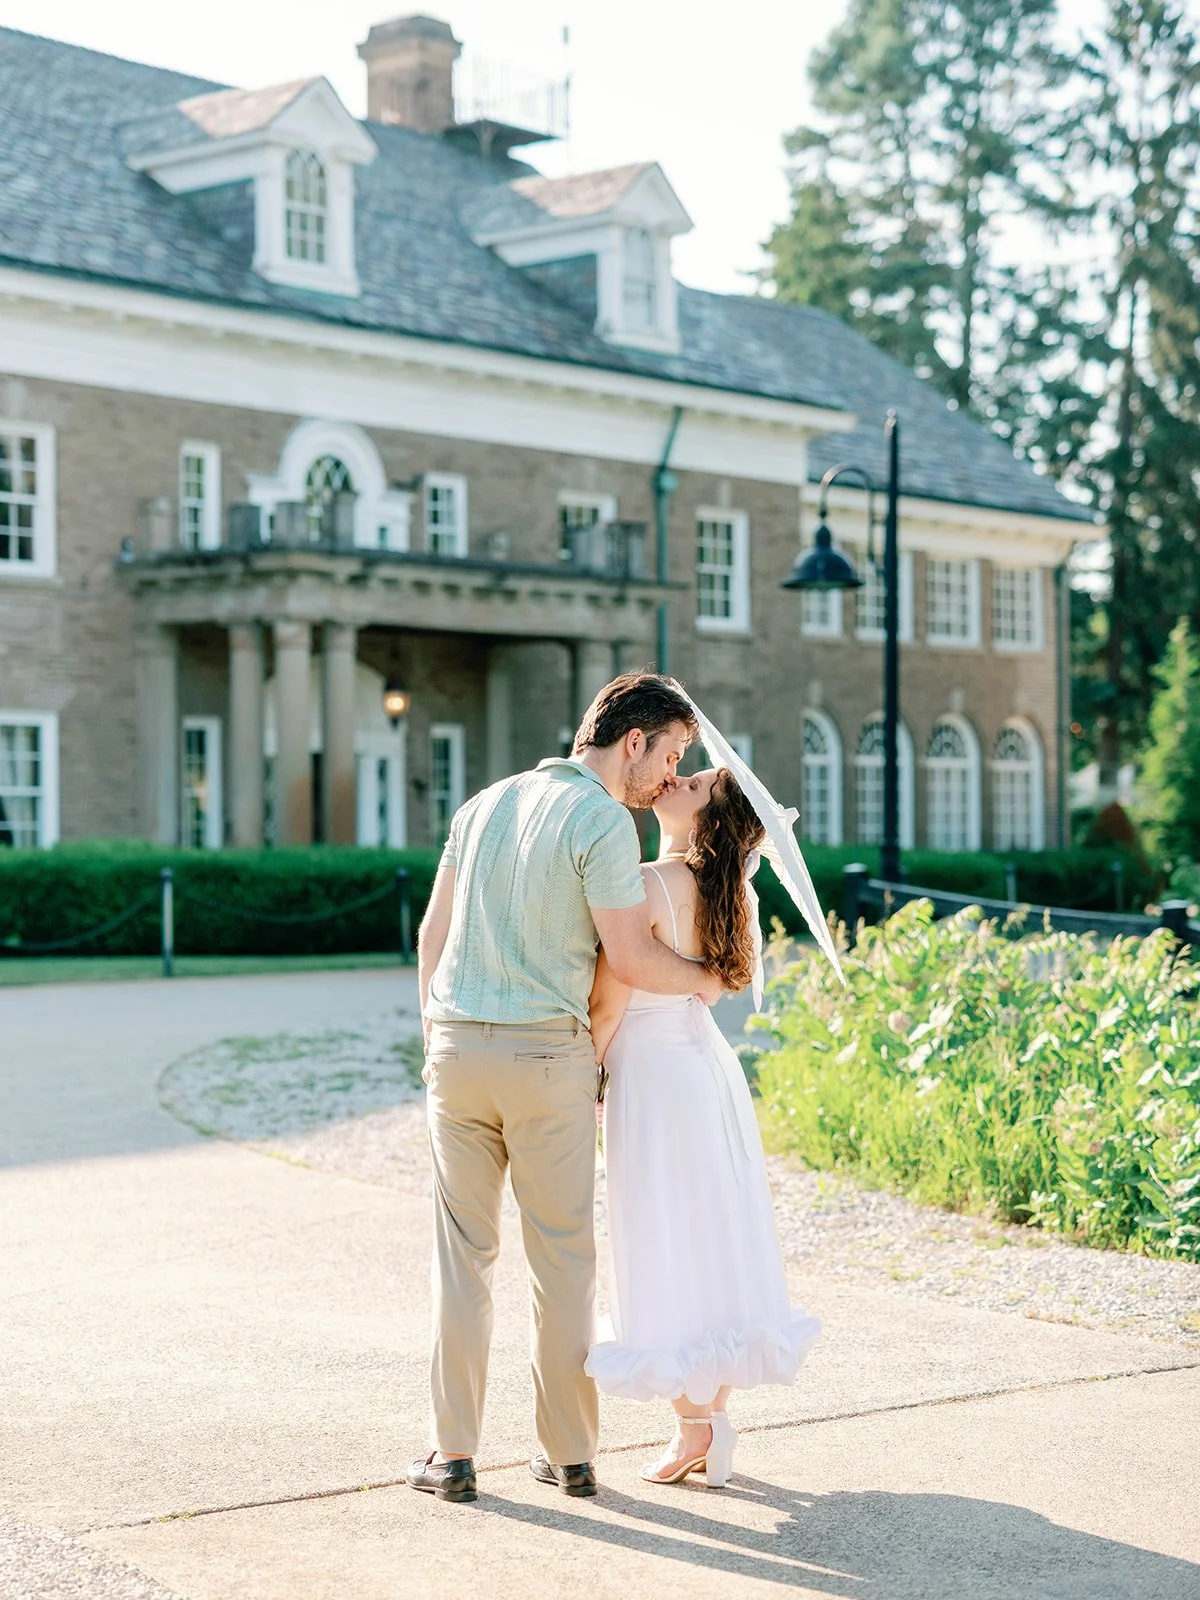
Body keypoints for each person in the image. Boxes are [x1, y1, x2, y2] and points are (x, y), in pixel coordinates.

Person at [408, 673, 725, 1505]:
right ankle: (571, 1456)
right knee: (562, 1263)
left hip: (458, 1053)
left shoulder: (480, 805)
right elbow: (628, 957)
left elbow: (431, 934)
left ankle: (453, 1458)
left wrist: (433, 1034)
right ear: (633, 742)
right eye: (672, 755)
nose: (669, 776)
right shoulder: (602, 820)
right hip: (548, 1058)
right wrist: (711, 975)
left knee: (461, 1261)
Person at [585, 744, 835, 1488]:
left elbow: (609, 999)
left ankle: (697, 1430)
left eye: (692, 782)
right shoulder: (733, 895)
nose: (676, 776)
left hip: (654, 1077)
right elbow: (721, 984)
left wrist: (588, 1075)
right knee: (710, 1234)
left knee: (665, 1235)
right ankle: (708, 1424)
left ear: (708, 821)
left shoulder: (648, 885)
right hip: (706, 1073)